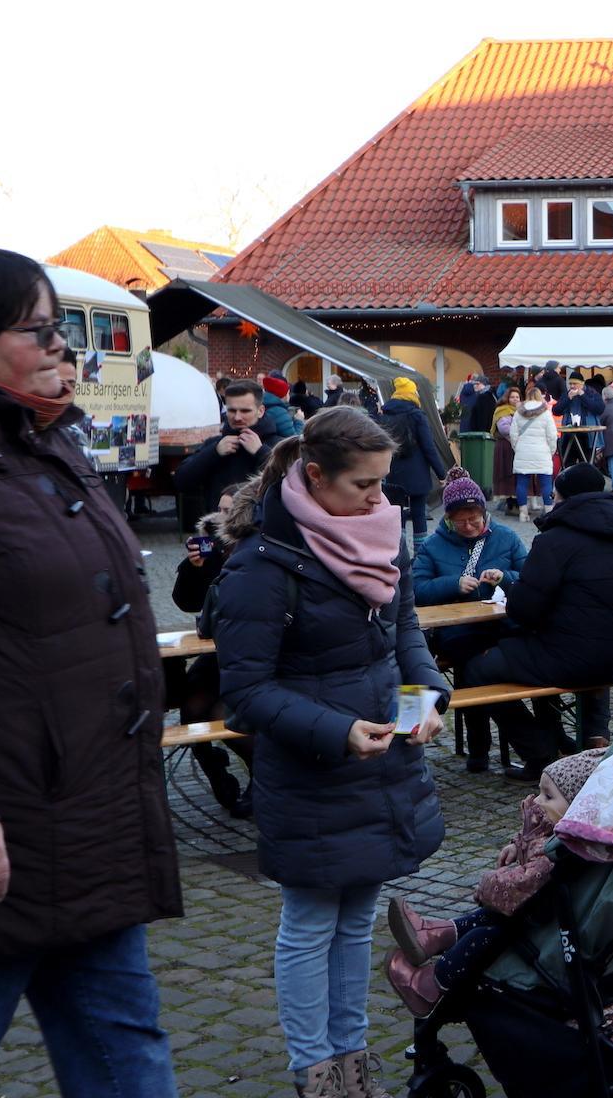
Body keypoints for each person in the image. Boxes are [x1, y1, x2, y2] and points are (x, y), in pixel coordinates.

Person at [0, 249, 182, 1096]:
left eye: (62, 328)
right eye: (40, 330)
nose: (63, 348)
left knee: (125, 1051)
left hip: (93, 824)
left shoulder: (49, 442)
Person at [214, 405, 450, 1097]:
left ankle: (352, 1062)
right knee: (312, 924)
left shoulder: (381, 539)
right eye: (366, 485)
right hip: (315, 771)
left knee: (357, 924)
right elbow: (247, 694)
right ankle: (315, 1072)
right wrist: (336, 731)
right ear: (314, 477)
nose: (383, 498)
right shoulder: (261, 569)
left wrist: (427, 698)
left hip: (380, 764)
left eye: (386, 483)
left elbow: (404, 632)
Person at [381, 748, 605, 1017]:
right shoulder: (555, 834)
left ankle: (428, 986)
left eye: (548, 796)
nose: (537, 801)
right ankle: (431, 934)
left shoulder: (558, 854)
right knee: (487, 918)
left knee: (485, 934)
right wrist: (518, 843)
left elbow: (515, 886)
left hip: (537, 924)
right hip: (530, 913)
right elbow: (534, 840)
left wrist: (487, 886)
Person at [463, 464, 613, 766]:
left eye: (554, 496)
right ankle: (587, 735)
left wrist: (515, 591)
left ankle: (538, 751)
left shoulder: (554, 541)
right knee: (555, 649)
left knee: (475, 670)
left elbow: (524, 611)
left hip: (569, 660)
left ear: (566, 500)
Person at [413, 467, 529, 772]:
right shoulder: (433, 546)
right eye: (460, 520)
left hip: (502, 627)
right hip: (458, 634)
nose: (467, 526)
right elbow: (416, 589)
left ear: (484, 512)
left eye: (473, 519)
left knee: (516, 655)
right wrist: (453, 583)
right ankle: (479, 746)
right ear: (448, 519)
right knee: (470, 663)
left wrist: (505, 578)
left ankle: (543, 736)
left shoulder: (505, 537)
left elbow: (531, 576)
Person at [172, 484, 256, 815]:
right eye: (220, 510)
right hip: (217, 648)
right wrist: (194, 568)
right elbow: (186, 601)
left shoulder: (256, 546)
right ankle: (215, 770)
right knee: (191, 707)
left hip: (248, 651)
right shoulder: (211, 544)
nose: (223, 517)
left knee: (225, 714)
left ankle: (260, 777)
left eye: (229, 510)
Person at [175, 378, 289, 499]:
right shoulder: (215, 444)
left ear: (260, 411)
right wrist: (214, 452)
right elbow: (181, 481)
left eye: (245, 411)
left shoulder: (280, 445)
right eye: (232, 410)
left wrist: (262, 453)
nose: (237, 417)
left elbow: (292, 488)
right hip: (219, 516)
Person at [380, 376, 447, 540]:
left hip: (393, 471)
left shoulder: (385, 414)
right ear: (411, 393)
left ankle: (399, 553)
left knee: (397, 513)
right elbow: (429, 447)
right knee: (418, 514)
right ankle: (419, 555)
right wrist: (441, 474)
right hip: (417, 472)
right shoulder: (417, 415)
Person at [509, 387, 560, 521]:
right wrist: (551, 451)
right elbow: (552, 435)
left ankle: (523, 513)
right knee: (546, 483)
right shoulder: (546, 412)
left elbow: (513, 434)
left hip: (523, 451)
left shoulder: (518, 412)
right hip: (542, 451)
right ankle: (549, 511)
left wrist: (517, 448)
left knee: (521, 483)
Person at [490, 386, 522, 511]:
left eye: (517, 397)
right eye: (512, 397)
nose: (515, 399)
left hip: (517, 446)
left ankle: (517, 502)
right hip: (505, 446)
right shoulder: (502, 410)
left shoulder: (520, 410)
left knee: (516, 474)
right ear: (507, 398)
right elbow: (504, 429)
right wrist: (520, 430)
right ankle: (510, 503)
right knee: (507, 472)